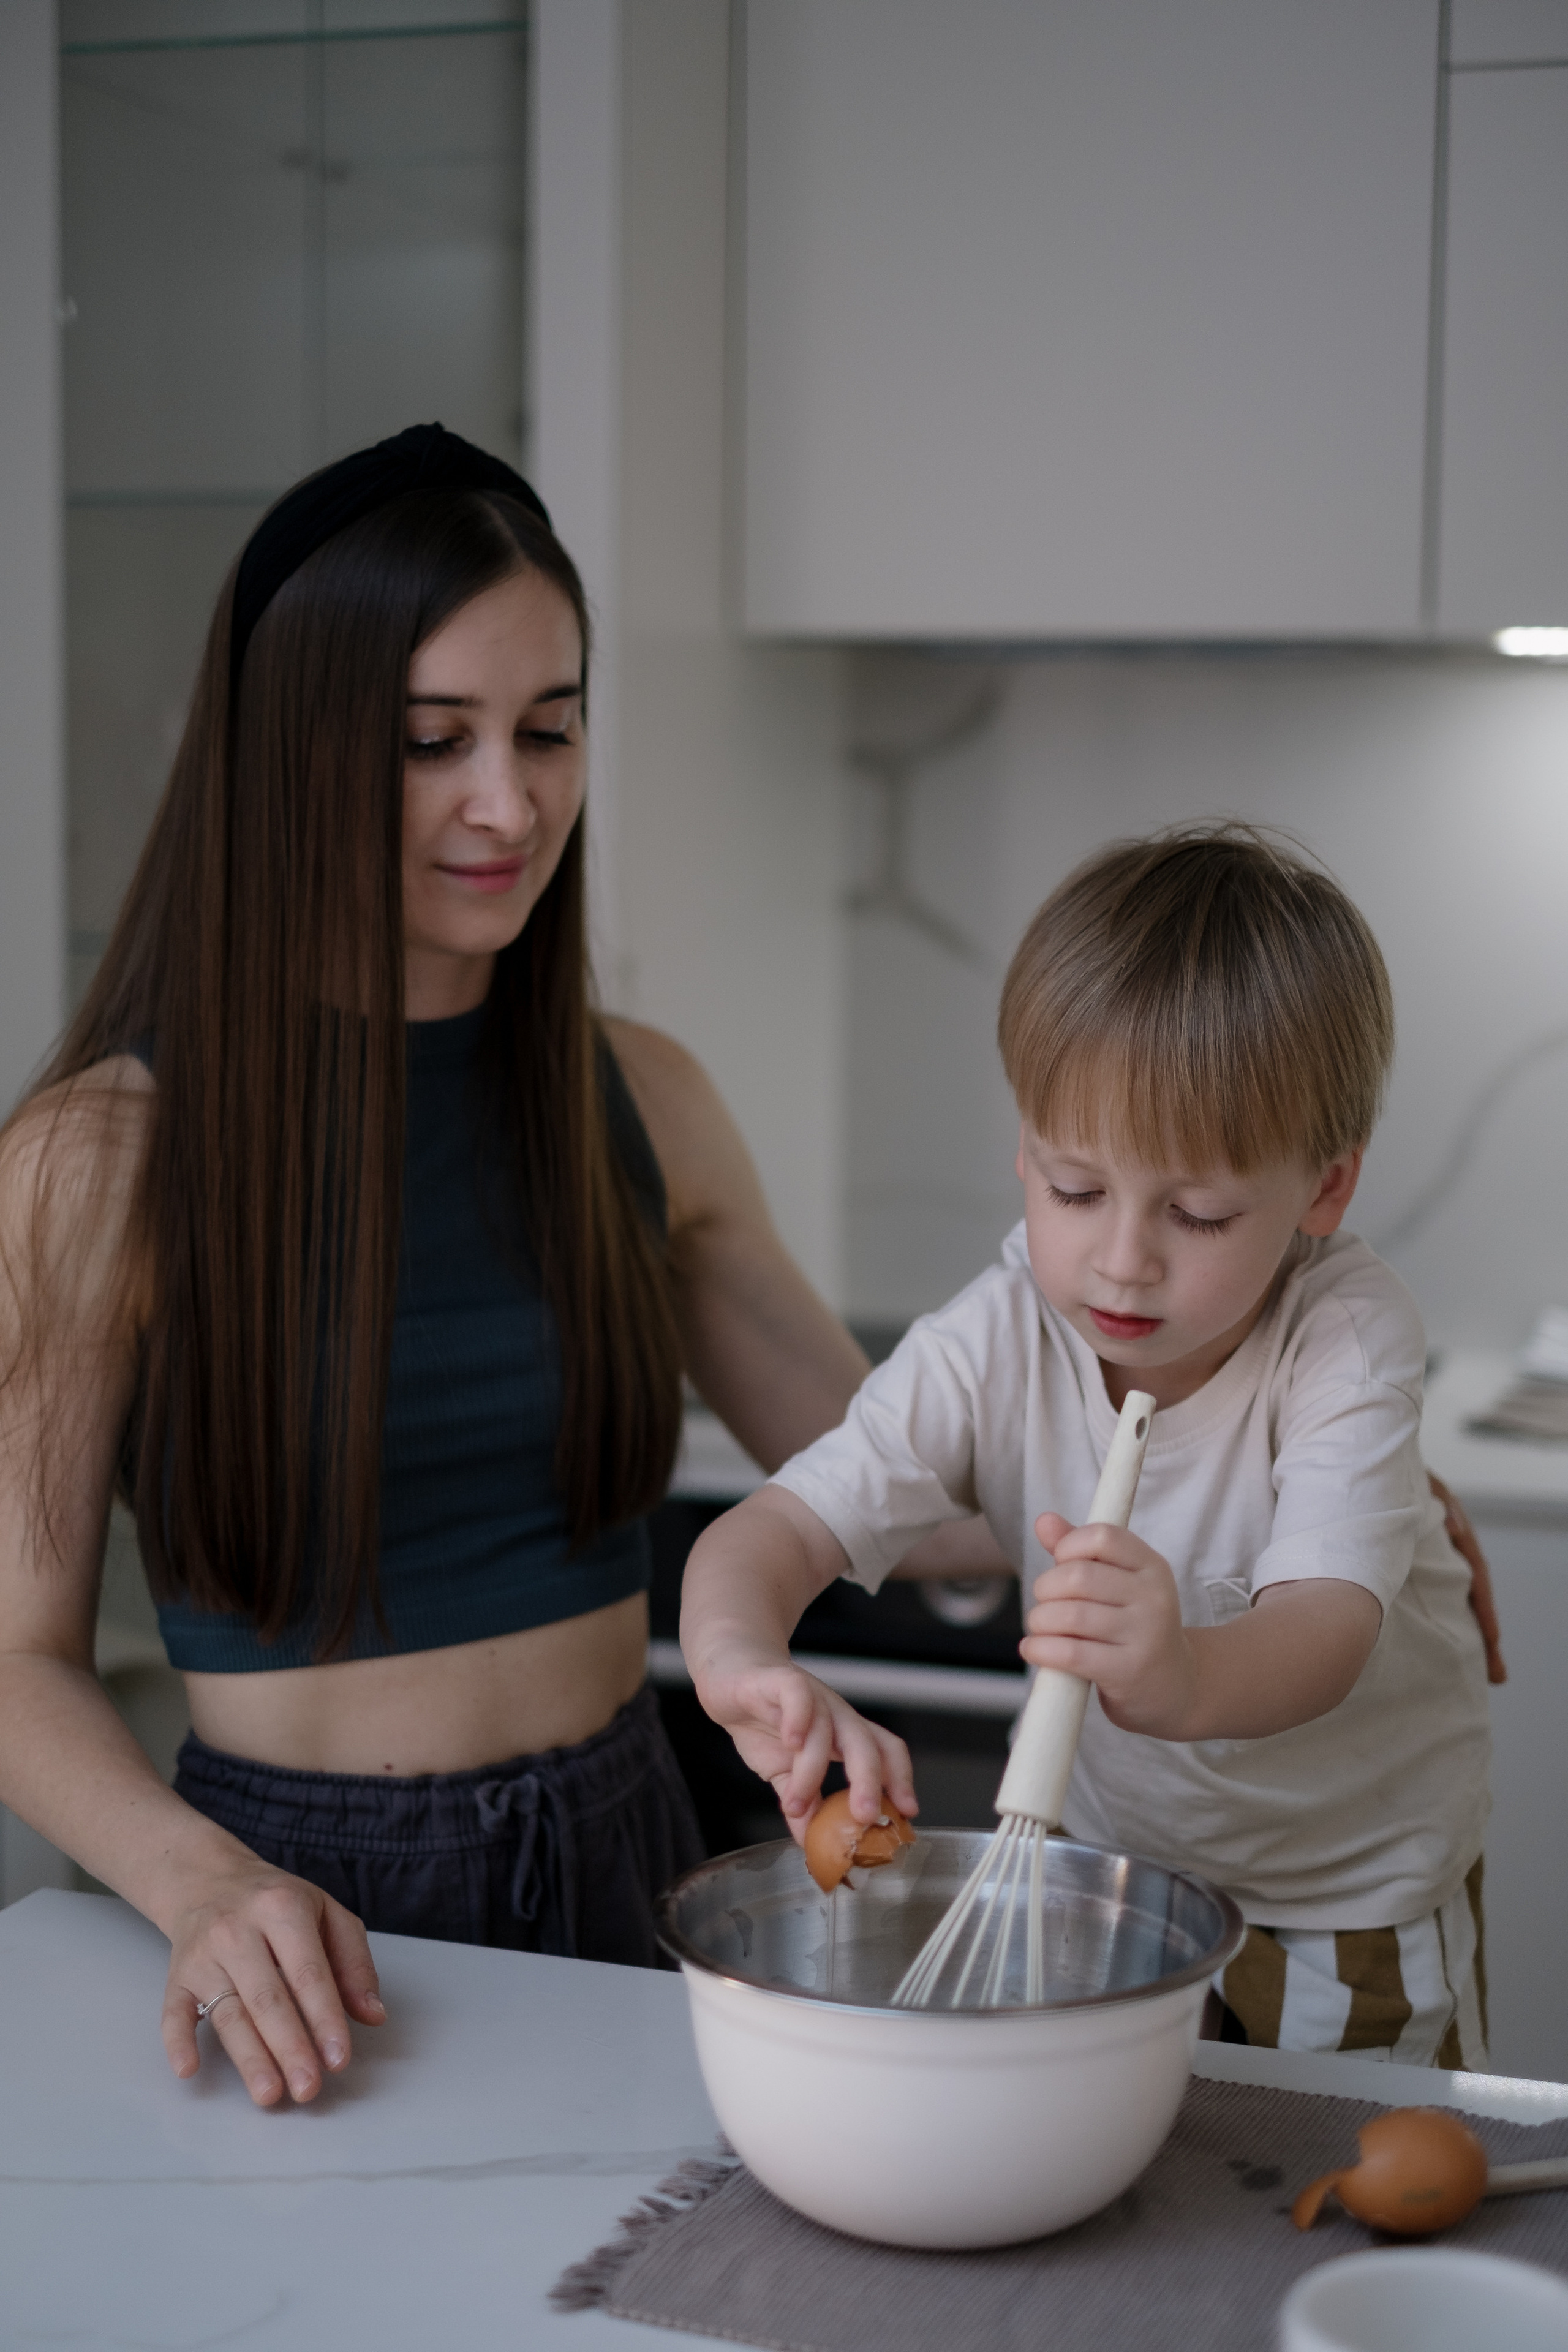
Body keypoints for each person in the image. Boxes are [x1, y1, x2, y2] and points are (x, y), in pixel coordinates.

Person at [0, 426, 880, 2111]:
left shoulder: (644, 1098)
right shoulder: (102, 1161)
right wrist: (197, 1884)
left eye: (550, 730)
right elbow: (15, 1650)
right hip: (303, 1920)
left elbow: (916, 1474)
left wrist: (1287, 1475)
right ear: (289, 755)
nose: (513, 800)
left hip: (642, 1847)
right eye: (433, 742)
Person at [682, 824, 1495, 2065]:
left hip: (1347, 1890)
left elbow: (1323, 1631)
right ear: (1023, 1147)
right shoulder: (998, 1332)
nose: (1121, 1258)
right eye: (1073, 1189)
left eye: (1197, 1212)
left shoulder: (1342, 1332)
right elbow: (775, 1530)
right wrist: (745, 1661)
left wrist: (1174, 1677)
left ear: (1322, 1193)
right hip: (1105, 1865)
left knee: (1333, 2184)